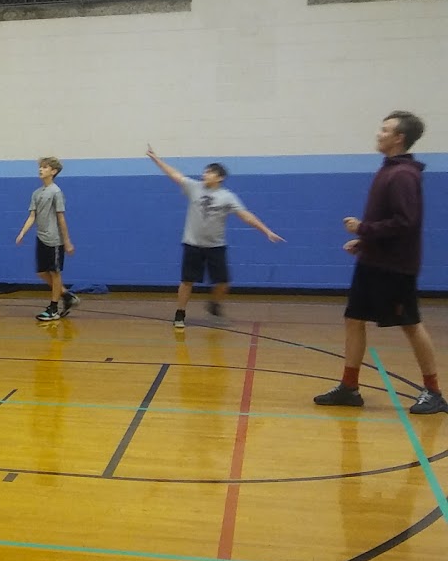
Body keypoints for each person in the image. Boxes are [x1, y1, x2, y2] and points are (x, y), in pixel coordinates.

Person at [314, 110, 447, 414]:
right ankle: (349, 387)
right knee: (354, 319)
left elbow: (405, 222)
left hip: (395, 268)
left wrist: (363, 228)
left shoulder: (403, 175)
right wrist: (366, 241)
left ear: (399, 138)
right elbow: (389, 222)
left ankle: (434, 391)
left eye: (385, 130)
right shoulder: (388, 170)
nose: (379, 133)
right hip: (374, 261)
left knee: (410, 324)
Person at [147, 145, 283, 327]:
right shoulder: (193, 187)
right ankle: (180, 313)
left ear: (220, 177)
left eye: (210, 172)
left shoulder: (227, 196)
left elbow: (245, 215)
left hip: (216, 247)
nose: (205, 174)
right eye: (205, 171)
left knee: (223, 282)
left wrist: (266, 230)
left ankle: (214, 305)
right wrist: (156, 159)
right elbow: (174, 174)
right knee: (187, 281)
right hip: (193, 244)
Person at [14, 157, 77, 321]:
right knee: (41, 272)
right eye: (40, 167)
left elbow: (61, 218)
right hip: (41, 237)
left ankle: (54, 308)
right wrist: (22, 233)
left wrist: (67, 241)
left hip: (55, 239)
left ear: (53, 171)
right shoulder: (36, 193)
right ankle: (66, 295)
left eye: (45, 167)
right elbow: (32, 216)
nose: (41, 170)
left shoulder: (56, 192)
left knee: (55, 273)